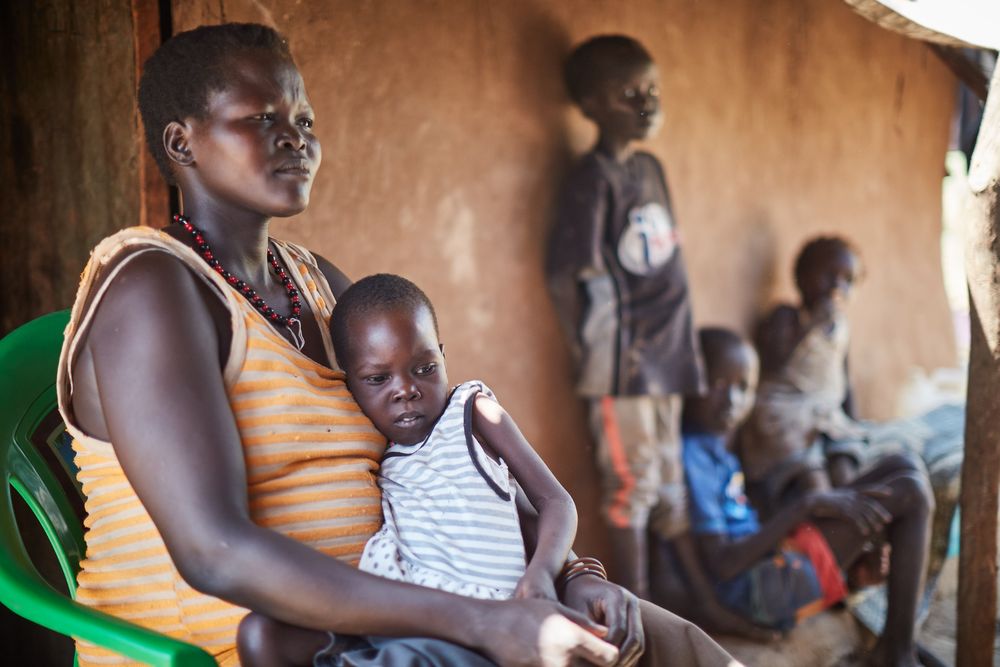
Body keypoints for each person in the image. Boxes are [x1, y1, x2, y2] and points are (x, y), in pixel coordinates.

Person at [56, 22, 737, 667]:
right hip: (250, 643)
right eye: (262, 119)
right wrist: (480, 620)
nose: (295, 138)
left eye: (305, 122)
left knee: (660, 638)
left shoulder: (319, 285)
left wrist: (567, 572)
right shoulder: (151, 287)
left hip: (409, 614)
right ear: (182, 143)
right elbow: (214, 551)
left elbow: (456, 456)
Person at [544, 34, 752, 637]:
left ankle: (694, 606)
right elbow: (565, 273)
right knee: (632, 486)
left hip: (668, 356)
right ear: (589, 105)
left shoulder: (651, 169)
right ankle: (642, 617)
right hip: (624, 365)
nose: (646, 102)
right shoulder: (594, 178)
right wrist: (588, 352)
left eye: (652, 90)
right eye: (628, 93)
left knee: (669, 484)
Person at [683, 328, 936, 666]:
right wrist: (809, 506)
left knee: (903, 465)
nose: (731, 400)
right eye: (718, 384)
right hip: (757, 595)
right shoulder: (692, 456)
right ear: (692, 380)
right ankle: (897, 653)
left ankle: (894, 642)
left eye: (743, 388)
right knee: (910, 492)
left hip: (770, 566)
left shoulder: (718, 450)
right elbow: (725, 564)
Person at [329, 272, 576, 603]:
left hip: (508, 611)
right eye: (378, 378)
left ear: (443, 358)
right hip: (429, 627)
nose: (405, 390)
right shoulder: (369, 450)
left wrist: (543, 572)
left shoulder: (472, 414)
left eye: (425, 368)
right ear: (350, 385)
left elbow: (555, 501)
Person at [739, 236, 867, 518]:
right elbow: (774, 359)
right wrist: (812, 325)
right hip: (785, 414)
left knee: (847, 469)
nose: (837, 285)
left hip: (824, 416)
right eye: (828, 275)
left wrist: (856, 427)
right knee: (815, 483)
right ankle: (822, 545)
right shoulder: (786, 316)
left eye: (847, 279)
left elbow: (845, 382)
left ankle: (852, 542)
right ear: (801, 278)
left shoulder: (840, 325)